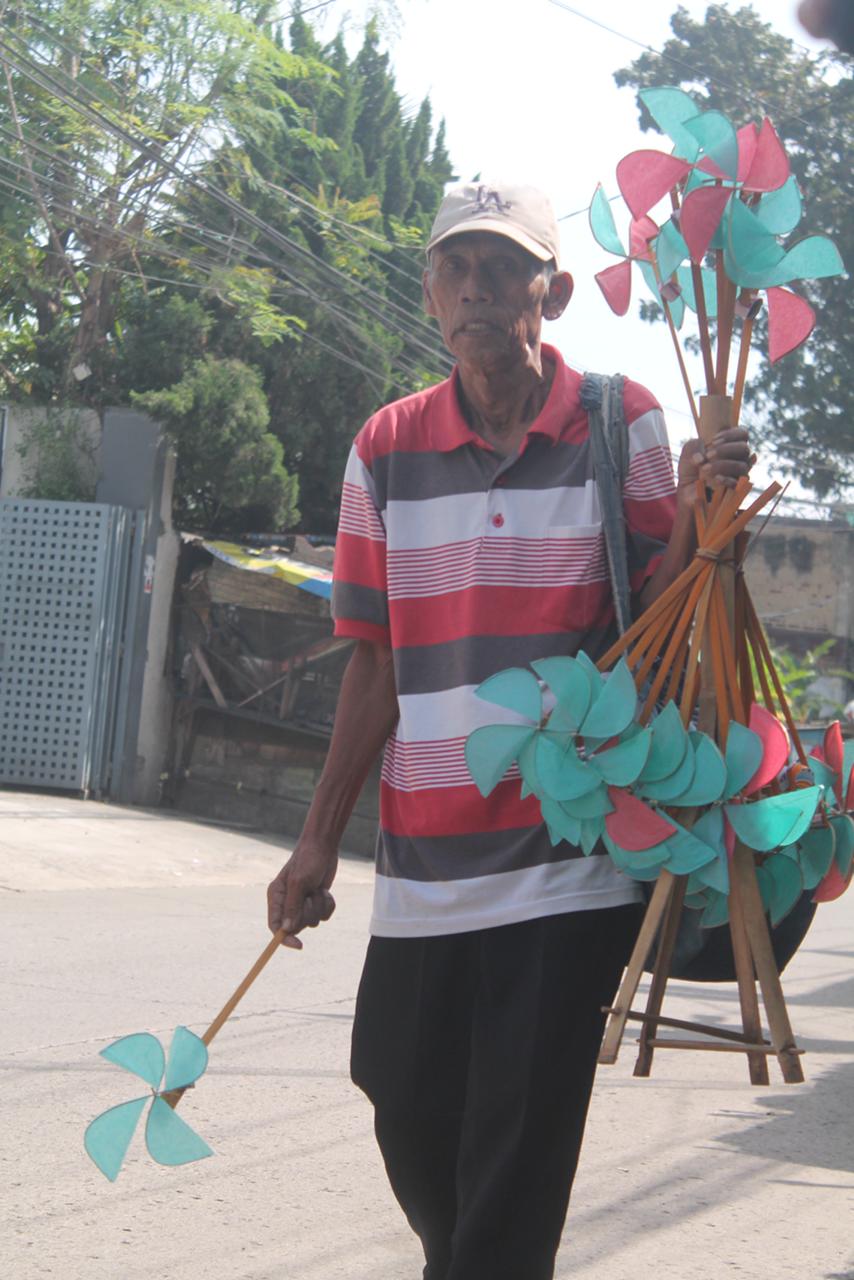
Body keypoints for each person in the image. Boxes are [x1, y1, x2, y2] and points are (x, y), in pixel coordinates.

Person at [267, 180, 753, 1280]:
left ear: (555, 291)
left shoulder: (620, 422)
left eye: (501, 267)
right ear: (431, 294)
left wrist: (693, 519)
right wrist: (315, 840)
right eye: (455, 267)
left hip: (569, 854)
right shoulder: (385, 447)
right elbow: (375, 661)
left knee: (518, 1146)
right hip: (424, 863)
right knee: (400, 1091)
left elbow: (659, 625)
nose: (475, 287)